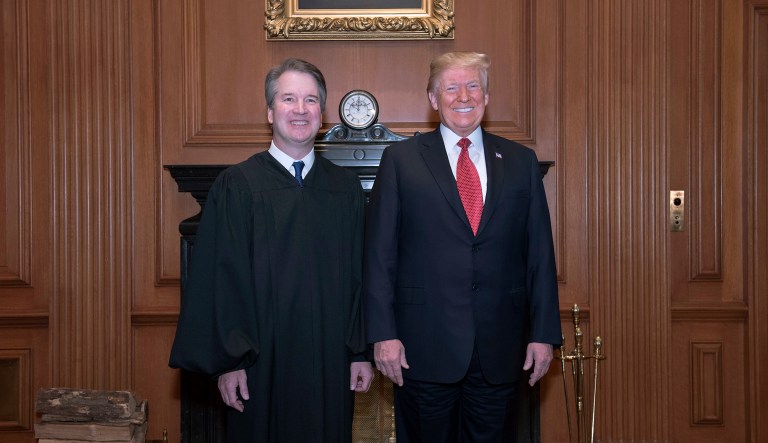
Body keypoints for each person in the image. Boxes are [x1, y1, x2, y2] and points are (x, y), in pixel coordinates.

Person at [169, 58, 374, 442]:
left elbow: (359, 278)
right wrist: (229, 363)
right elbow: (221, 280)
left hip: (331, 361)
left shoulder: (344, 189)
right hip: (259, 364)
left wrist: (360, 352)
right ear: (269, 111)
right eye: (289, 99)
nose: (300, 110)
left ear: (322, 114)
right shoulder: (238, 186)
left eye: (311, 100)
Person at [364, 51, 562, 442]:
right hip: (422, 349)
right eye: (451, 87)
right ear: (433, 99)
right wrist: (382, 335)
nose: (463, 96)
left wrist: (543, 334)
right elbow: (379, 256)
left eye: (473, 85)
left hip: (501, 350)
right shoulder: (401, 161)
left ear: (486, 97)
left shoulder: (520, 162)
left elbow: (539, 254)